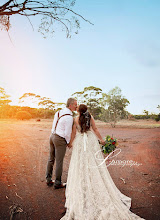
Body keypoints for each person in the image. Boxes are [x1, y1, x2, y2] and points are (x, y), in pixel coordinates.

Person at [61, 104, 145, 220]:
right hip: (90, 140)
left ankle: (84, 181)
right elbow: (94, 129)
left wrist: (70, 143)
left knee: (80, 163)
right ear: (86, 111)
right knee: (94, 162)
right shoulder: (90, 117)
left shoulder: (75, 119)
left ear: (79, 112)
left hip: (80, 142)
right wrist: (101, 140)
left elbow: (74, 133)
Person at [46, 98, 77, 189]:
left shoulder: (59, 112)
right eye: (75, 104)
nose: (76, 106)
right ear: (70, 105)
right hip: (60, 139)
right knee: (59, 161)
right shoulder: (69, 117)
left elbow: (54, 124)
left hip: (52, 136)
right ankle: (58, 182)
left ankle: (48, 179)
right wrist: (68, 142)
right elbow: (67, 133)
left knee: (51, 159)